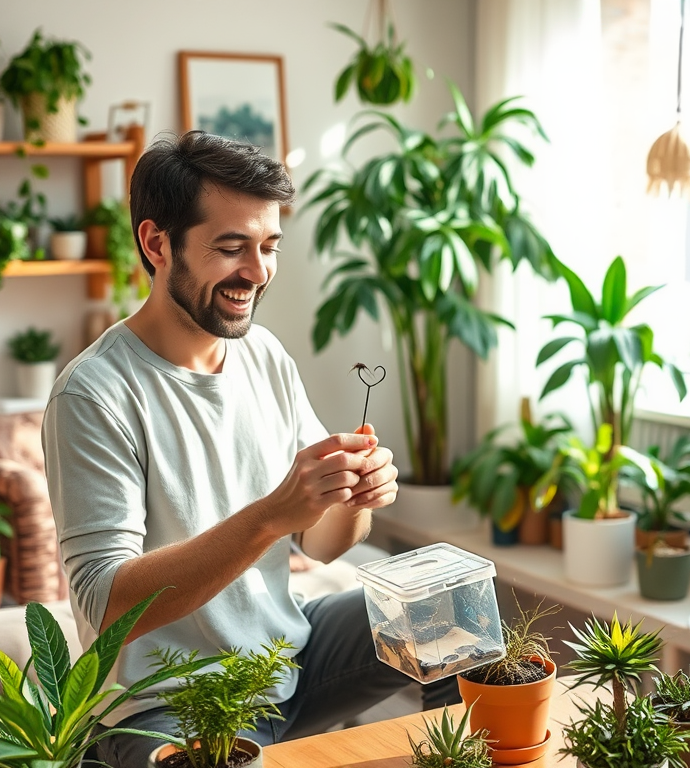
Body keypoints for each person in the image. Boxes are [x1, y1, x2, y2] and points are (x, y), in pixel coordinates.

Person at [42, 131, 451, 768]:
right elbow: (107, 604)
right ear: (157, 244)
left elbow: (321, 544)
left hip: (287, 661)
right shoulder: (94, 394)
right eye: (230, 248)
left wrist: (353, 495)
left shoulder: (264, 355)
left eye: (268, 247)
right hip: (163, 704)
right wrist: (270, 516)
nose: (257, 274)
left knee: (453, 613)